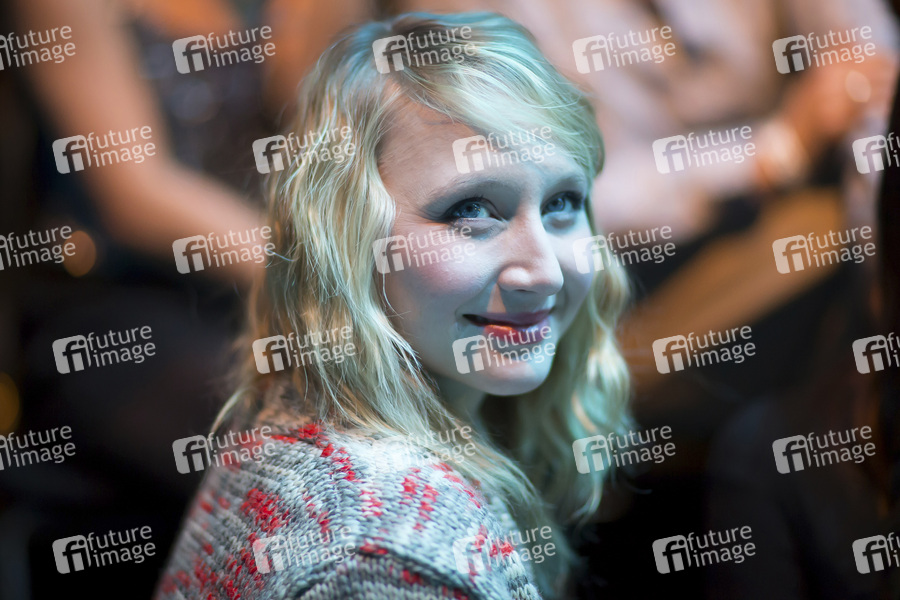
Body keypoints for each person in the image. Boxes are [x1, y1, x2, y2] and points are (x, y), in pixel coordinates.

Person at [154, 12, 631, 600]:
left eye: (562, 202)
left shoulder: (305, 411)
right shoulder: (385, 560)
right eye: (471, 210)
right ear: (344, 240)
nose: (545, 272)